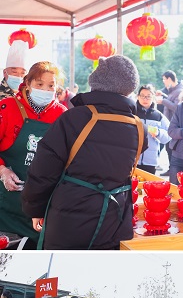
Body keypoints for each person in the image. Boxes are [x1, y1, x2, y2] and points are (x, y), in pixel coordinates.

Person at [22, 55, 142, 250]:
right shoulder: (138, 127)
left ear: (96, 82)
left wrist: (35, 208)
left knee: (64, 268)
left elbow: (44, 170)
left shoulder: (73, 119)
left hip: (69, 221)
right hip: (115, 221)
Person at [0, 62, 66, 247]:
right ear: (27, 83)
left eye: (51, 85)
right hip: (5, 204)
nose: (45, 90)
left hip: (40, 206)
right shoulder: (6, 107)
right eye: (39, 84)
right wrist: (2, 170)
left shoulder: (62, 115)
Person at [133, 84, 171, 175]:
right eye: (142, 96)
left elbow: (169, 134)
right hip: (132, 159)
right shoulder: (132, 113)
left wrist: (158, 133)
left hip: (151, 161)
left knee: (148, 183)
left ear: (153, 97)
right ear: (138, 96)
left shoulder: (158, 116)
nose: (145, 99)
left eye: (148, 96)